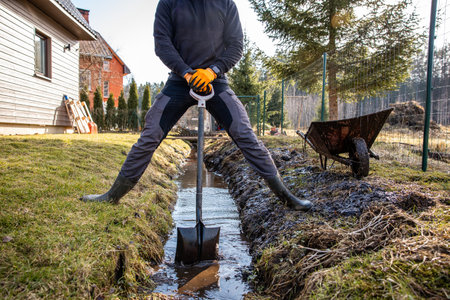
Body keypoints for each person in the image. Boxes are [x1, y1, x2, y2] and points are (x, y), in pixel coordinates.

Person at [81, 0, 312, 211]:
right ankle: (113, 195)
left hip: (216, 82)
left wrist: (213, 71)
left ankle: (286, 197)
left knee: (244, 133)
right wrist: (187, 73)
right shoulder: (169, 3)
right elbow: (162, 44)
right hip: (179, 81)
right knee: (150, 134)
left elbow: (236, 46)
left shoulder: (225, 4)